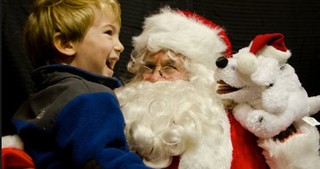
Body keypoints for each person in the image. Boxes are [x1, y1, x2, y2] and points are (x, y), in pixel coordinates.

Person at [115, 7, 269, 169]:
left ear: (198, 76)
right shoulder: (119, 118)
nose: (154, 78)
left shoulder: (235, 133)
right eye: (148, 66)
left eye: (169, 67)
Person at [9, 0, 151, 168]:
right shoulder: (90, 96)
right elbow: (105, 159)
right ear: (66, 44)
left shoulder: (36, 102)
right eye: (108, 32)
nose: (120, 46)